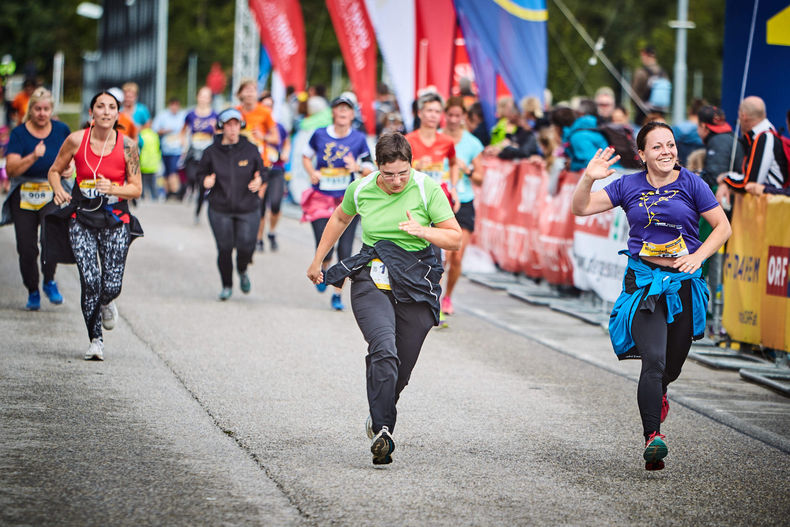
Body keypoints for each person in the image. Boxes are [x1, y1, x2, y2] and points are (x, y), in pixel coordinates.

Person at [571, 122, 731, 470]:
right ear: (642, 155)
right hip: (644, 284)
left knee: (671, 366)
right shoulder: (628, 184)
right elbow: (580, 208)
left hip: (683, 285)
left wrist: (698, 256)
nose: (667, 152)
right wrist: (588, 178)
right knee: (654, 360)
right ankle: (652, 437)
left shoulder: (692, 183)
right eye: (657, 147)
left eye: (671, 145)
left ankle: (658, 393)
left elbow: (723, 227)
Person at [306, 132, 461, 465]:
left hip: (416, 281)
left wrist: (424, 231)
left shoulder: (426, 189)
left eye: (402, 173)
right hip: (371, 276)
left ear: (411, 165)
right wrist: (320, 259)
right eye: (388, 174)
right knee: (383, 348)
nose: (396, 181)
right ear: (377, 168)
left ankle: (380, 410)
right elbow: (339, 218)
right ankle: (383, 431)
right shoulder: (361, 188)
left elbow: (454, 238)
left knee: (399, 371)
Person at [47, 90, 143, 361]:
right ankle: (95, 339)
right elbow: (54, 170)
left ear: (117, 114)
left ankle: (106, 301)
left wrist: (113, 188)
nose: (105, 111)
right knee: (90, 280)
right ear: (91, 113)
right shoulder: (76, 140)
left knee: (111, 285)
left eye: (111, 107)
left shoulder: (128, 147)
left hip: (115, 221)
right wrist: (58, 189)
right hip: (82, 219)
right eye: (100, 106)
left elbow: (136, 189)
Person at [301, 94, 374, 311]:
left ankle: (337, 293)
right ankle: (322, 267)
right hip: (321, 197)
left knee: (345, 249)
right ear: (333, 112)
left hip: (347, 199)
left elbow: (370, 167)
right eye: (339, 108)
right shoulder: (320, 134)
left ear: (352, 114)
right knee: (324, 245)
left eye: (347, 109)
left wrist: (358, 168)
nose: (342, 112)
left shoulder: (359, 139)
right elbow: (306, 156)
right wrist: (312, 171)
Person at [2, 87, 71, 310]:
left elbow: (71, 157)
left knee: (50, 240)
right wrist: (33, 156)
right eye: (37, 109)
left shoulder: (61, 130)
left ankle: (49, 280)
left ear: (52, 110)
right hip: (23, 194)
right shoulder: (19, 134)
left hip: (52, 190)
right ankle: (33, 290)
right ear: (30, 110)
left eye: (46, 109)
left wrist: (69, 168)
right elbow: (11, 170)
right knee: (27, 248)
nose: (42, 113)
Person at [197, 108, 265, 300]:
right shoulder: (211, 152)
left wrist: (259, 181)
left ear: (240, 126)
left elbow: (263, 171)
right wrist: (205, 181)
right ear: (222, 127)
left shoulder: (250, 149)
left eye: (236, 124)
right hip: (220, 208)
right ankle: (227, 285)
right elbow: (199, 174)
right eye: (229, 125)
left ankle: (242, 269)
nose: (233, 129)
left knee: (246, 246)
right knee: (225, 248)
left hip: (248, 207)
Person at [440, 97, 484, 316]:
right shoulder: (436, 137)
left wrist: (466, 170)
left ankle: (447, 297)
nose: (454, 120)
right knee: (443, 256)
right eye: (451, 115)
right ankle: (432, 297)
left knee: (456, 255)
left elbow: (480, 178)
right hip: (440, 199)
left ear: (463, 118)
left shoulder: (472, 143)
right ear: (445, 115)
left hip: (464, 201)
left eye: (458, 116)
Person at [717, 96, 788, 206]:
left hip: (772, 209)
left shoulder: (764, 137)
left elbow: (750, 183)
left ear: (743, 116)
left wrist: (725, 179)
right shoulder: (763, 135)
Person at [257, 91, 290, 252]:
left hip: (277, 169)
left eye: (270, 106)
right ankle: (258, 239)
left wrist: (286, 152)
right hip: (259, 170)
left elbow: (286, 142)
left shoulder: (279, 127)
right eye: (265, 106)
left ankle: (271, 232)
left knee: (276, 203)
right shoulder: (255, 127)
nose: (268, 109)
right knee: (260, 206)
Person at [180, 86, 218, 210]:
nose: (203, 99)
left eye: (206, 97)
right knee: (191, 175)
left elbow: (219, 134)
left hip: (208, 151)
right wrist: (184, 144)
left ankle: (199, 203)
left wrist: (214, 130)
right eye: (201, 96)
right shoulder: (190, 114)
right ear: (197, 97)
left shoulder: (214, 115)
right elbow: (183, 131)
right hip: (193, 149)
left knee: (203, 181)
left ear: (210, 99)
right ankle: (191, 188)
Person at [151, 96, 185, 201]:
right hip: (165, 149)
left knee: (173, 171)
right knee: (166, 172)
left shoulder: (182, 116)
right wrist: (166, 131)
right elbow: (154, 128)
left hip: (177, 150)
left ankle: (175, 192)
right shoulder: (163, 115)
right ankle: (167, 192)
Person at [631, 46, 669, 125]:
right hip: (661, 113)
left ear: (645, 55)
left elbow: (634, 94)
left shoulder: (641, 72)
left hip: (644, 113)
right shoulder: (663, 73)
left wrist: (637, 105)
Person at [138, 122, 162, 200]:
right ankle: (155, 197)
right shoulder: (154, 135)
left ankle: (142, 196)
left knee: (143, 182)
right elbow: (159, 147)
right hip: (153, 163)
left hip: (143, 163)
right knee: (153, 183)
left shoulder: (141, 134)